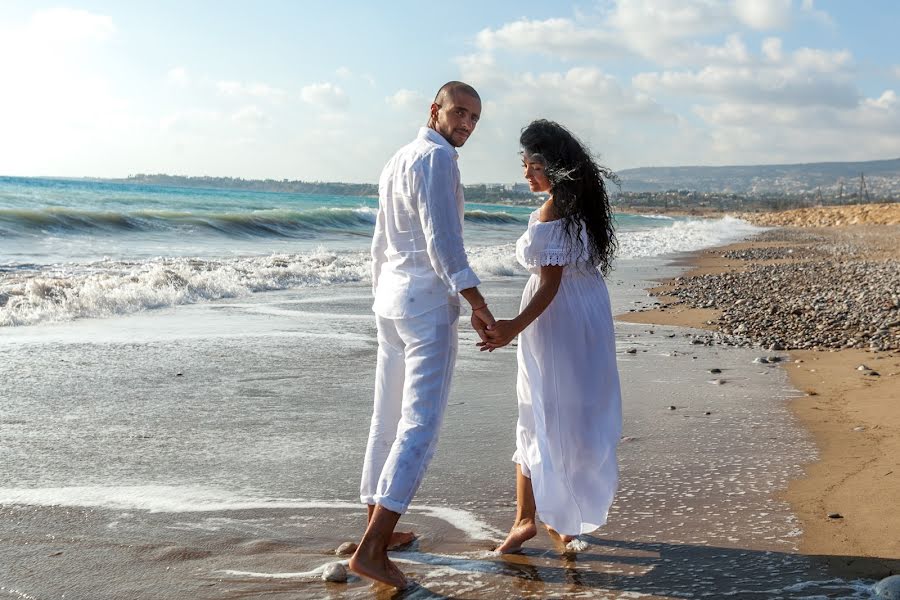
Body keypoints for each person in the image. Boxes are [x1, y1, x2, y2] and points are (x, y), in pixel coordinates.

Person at [349, 81, 495, 588]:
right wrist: (476, 303)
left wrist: (378, 296)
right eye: (459, 113)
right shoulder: (437, 161)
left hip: (390, 303)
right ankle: (371, 548)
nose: (466, 125)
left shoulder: (396, 160)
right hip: (426, 304)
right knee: (420, 425)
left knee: (384, 418)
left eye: (474, 119)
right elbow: (443, 242)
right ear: (434, 110)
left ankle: (377, 529)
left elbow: (379, 244)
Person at [480, 119, 622, 553]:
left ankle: (532, 519)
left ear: (555, 167)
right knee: (574, 414)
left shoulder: (553, 211)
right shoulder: (586, 208)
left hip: (557, 321)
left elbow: (549, 286)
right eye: (524, 164)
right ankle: (560, 517)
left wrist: (509, 328)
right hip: (590, 317)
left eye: (533, 165)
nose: (526, 174)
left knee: (540, 411)